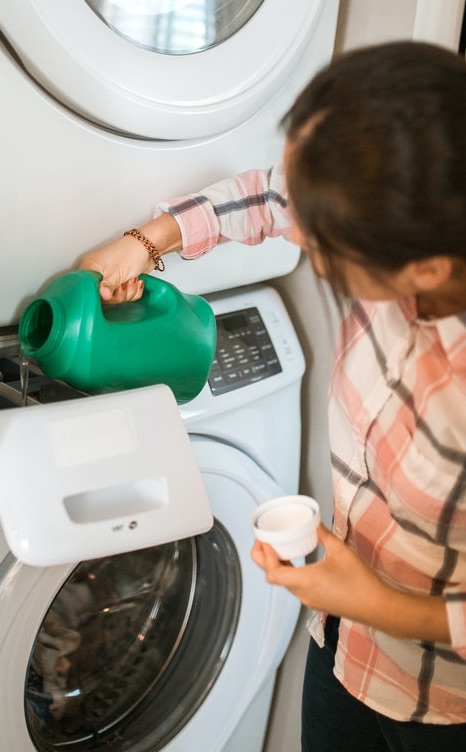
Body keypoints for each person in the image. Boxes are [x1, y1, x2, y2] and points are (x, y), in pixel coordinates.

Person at [80, 41, 466, 751]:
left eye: (321, 246)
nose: (302, 243)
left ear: (427, 265)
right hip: (345, 643)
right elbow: (270, 197)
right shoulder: (401, 221)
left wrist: (381, 604)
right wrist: (146, 242)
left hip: (442, 698)